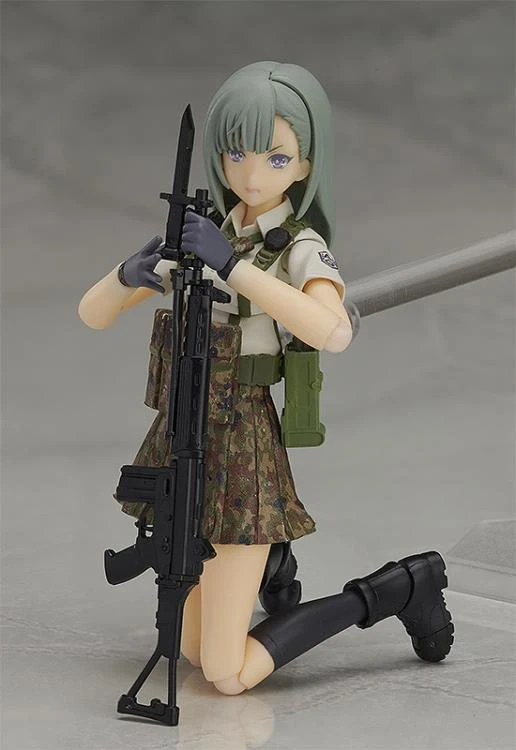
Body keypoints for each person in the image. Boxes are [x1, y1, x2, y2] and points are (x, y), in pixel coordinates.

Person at [78, 62, 453, 696]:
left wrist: (233, 267)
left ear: (306, 165)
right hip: (185, 430)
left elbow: (333, 331)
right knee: (191, 651)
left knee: (225, 674)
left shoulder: (297, 248)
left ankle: (394, 589)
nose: (252, 174)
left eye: (276, 158)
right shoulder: (208, 234)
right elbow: (92, 314)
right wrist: (128, 273)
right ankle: (270, 563)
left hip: (243, 440)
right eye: (237, 153)